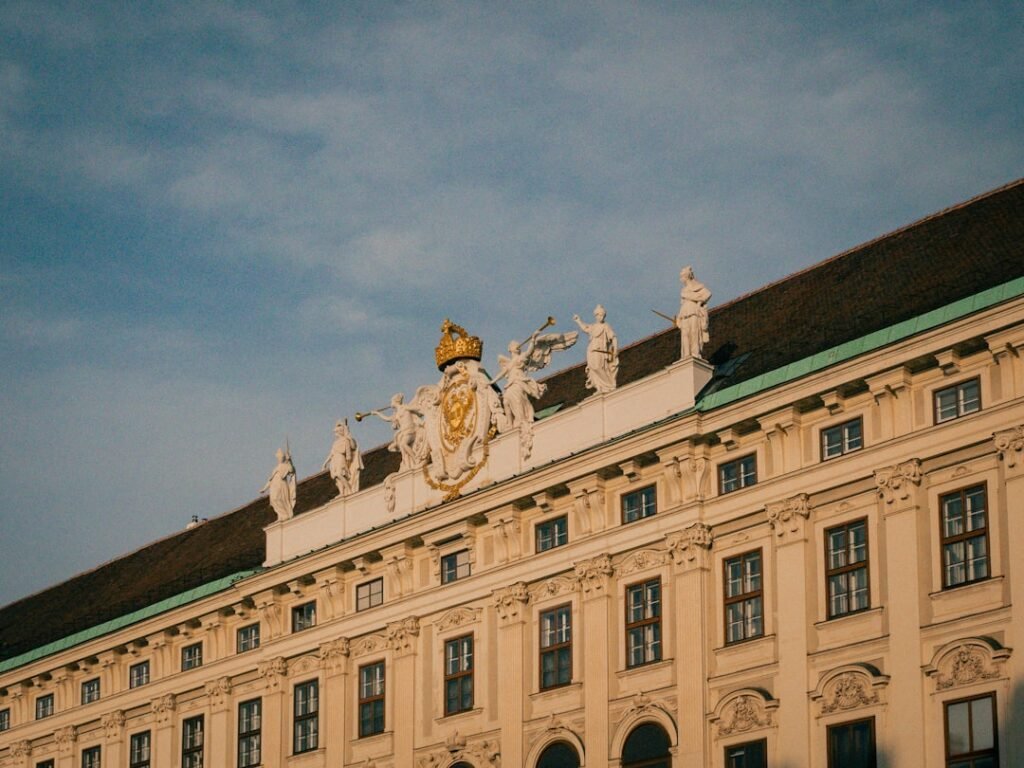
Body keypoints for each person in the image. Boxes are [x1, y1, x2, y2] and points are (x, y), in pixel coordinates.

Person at [573, 304, 619, 393]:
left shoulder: (606, 326)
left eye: (602, 315)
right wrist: (578, 321)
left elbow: (613, 337)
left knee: (599, 367)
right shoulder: (593, 326)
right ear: (596, 316)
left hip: (601, 349)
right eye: (598, 315)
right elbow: (585, 328)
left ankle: (609, 385)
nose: (600, 317)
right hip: (591, 349)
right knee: (593, 368)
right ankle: (600, 387)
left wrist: (615, 349)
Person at [677, 265, 711, 360]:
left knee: (694, 332)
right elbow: (683, 304)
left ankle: (695, 354)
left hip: (694, 311)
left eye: (682, 277)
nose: (681, 279)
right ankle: (687, 355)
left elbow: (708, 294)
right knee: (685, 334)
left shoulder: (698, 286)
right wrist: (679, 317)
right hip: (685, 312)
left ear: (686, 277)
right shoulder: (683, 290)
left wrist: (699, 301)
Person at [323, 419, 362, 496]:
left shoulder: (346, 440)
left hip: (341, 459)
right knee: (336, 478)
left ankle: (348, 489)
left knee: (339, 474)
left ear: (340, 432)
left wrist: (349, 436)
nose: (335, 434)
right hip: (334, 460)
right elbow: (331, 454)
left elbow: (351, 450)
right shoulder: (335, 443)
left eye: (336, 432)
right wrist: (325, 463)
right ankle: (342, 493)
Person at [261, 447, 296, 521]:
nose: (280, 458)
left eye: (281, 457)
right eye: (279, 457)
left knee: (278, 499)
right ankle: (281, 515)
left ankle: (285, 515)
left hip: (282, 485)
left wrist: (289, 460)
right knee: (274, 499)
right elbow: (270, 480)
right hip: (274, 486)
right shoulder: (275, 468)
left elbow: (292, 470)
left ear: (283, 458)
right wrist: (264, 489)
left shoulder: (286, 465)